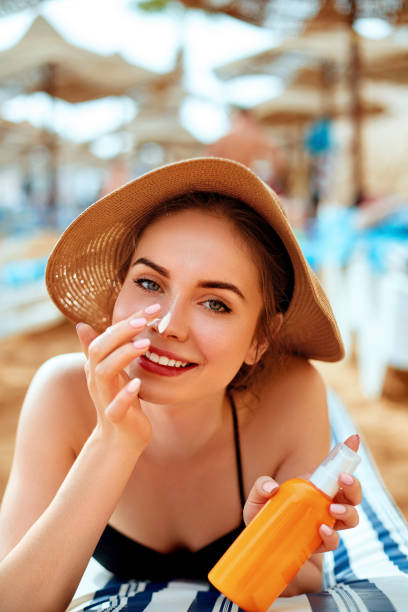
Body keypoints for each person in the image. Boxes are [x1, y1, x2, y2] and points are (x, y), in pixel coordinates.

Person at [0, 157, 361, 611]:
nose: (169, 326)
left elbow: (304, 579)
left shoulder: (291, 394)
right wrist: (113, 442)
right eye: (149, 282)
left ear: (260, 339)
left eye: (215, 304)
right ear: (117, 294)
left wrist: (264, 541)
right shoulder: (62, 394)